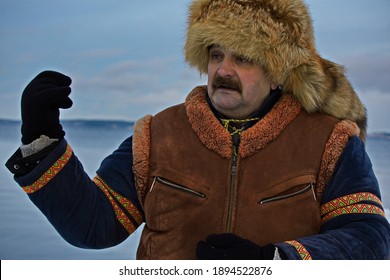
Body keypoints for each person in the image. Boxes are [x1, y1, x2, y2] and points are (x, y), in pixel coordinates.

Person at [5, 0, 390, 260]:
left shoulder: (329, 141)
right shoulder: (158, 135)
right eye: (217, 54)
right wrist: (43, 139)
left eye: (243, 58)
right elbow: (95, 225)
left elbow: (370, 239)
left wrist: (273, 261)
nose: (223, 70)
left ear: (278, 74)